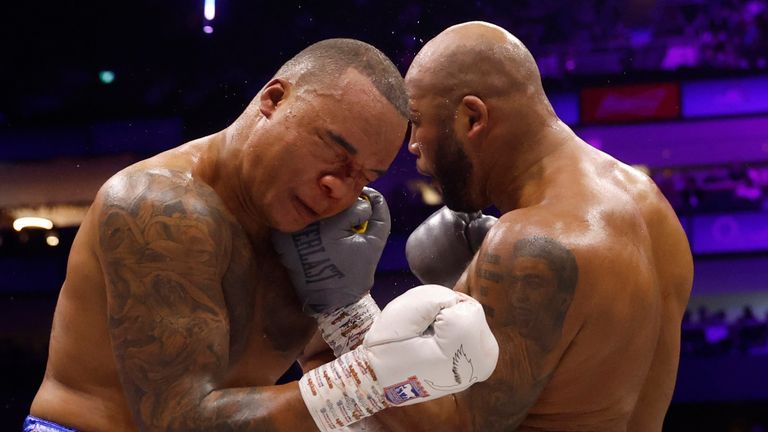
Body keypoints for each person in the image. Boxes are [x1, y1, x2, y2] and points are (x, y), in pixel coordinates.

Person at [26, 38, 499, 432]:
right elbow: (177, 420)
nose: (338, 187)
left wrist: (347, 310)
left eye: (363, 176)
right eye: (333, 151)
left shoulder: (310, 224)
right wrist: (369, 378)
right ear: (274, 100)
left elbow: (334, 376)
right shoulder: (158, 207)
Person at [386, 21, 694, 431]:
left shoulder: (528, 242)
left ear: (472, 118)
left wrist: (339, 308)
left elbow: (449, 425)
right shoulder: (650, 203)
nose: (413, 145)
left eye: (418, 120)